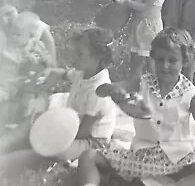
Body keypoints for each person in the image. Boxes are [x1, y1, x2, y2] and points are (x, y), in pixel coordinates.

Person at [77, 27, 195, 186]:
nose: (165, 66)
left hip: (179, 158)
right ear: (152, 58)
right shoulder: (142, 83)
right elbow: (101, 90)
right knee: (87, 156)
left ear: (185, 61)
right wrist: (113, 90)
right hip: (142, 157)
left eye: (172, 60)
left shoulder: (190, 95)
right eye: (160, 59)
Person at [0, 27, 116, 170]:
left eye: (80, 54)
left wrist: (55, 133)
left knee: (54, 149)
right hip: (72, 124)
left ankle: (15, 160)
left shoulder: (98, 90)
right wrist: (51, 72)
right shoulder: (84, 72)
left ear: (97, 58)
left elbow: (83, 132)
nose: (74, 58)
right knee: (35, 120)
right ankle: (5, 142)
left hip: (91, 140)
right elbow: (65, 75)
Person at [0, 4, 56, 136]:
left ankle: (23, 126)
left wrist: (44, 66)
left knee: (29, 101)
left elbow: (49, 63)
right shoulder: (12, 45)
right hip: (12, 81)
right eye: (12, 35)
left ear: (30, 35)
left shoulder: (36, 46)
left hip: (30, 82)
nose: (13, 38)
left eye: (18, 35)